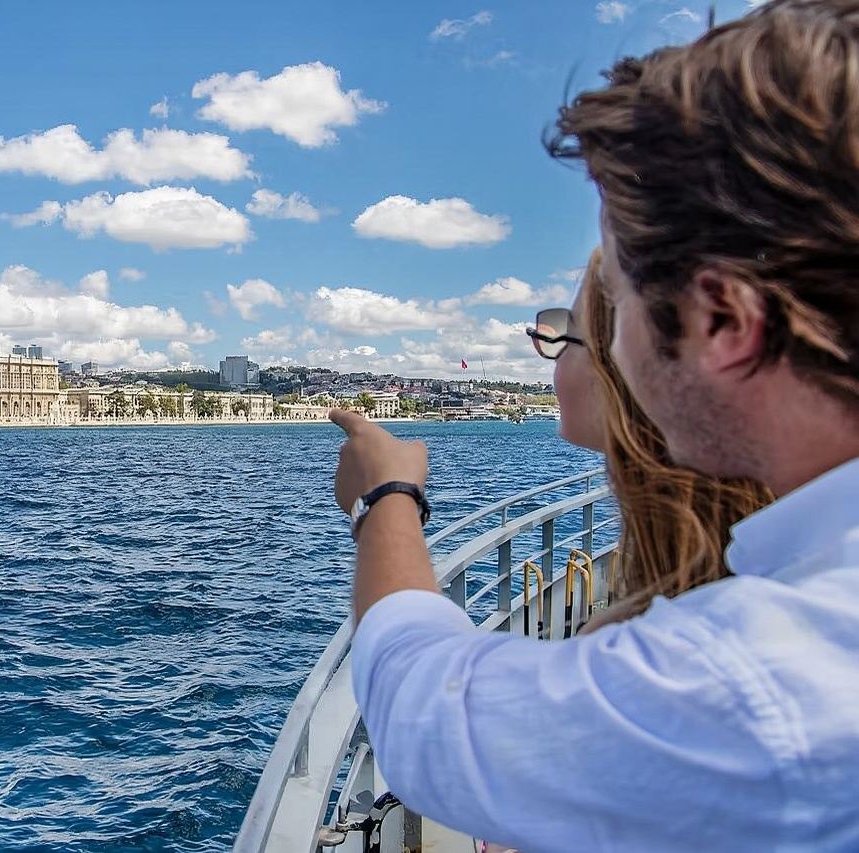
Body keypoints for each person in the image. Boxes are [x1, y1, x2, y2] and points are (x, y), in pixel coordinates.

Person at [332, 2, 859, 850]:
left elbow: (429, 715)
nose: (610, 342)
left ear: (723, 320)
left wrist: (385, 495)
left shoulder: (761, 685)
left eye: (621, 296)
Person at [532, 249, 772, 628]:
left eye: (567, 338)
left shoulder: (648, 637)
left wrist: (414, 497)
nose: (555, 361)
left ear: (622, 362)